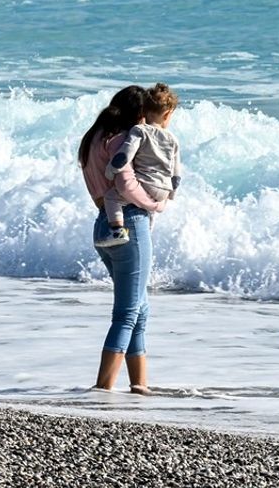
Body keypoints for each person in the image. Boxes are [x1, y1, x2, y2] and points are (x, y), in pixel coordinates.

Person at [78, 84, 168, 395]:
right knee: (129, 311)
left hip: (105, 225)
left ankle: (139, 384)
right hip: (130, 224)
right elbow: (125, 180)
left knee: (139, 308)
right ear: (140, 115)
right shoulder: (121, 140)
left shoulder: (94, 139)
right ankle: (104, 386)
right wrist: (154, 204)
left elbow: (99, 187)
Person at [96, 83, 182, 248]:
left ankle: (117, 231)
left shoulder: (140, 131)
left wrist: (111, 170)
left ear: (144, 112)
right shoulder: (173, 139)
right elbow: (176, 175)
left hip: (145, 183)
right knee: (150, 213)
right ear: (166, 114)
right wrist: (171, 194)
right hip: (162, 189)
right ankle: (146, 237)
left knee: (111, 197)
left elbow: (124, 155)